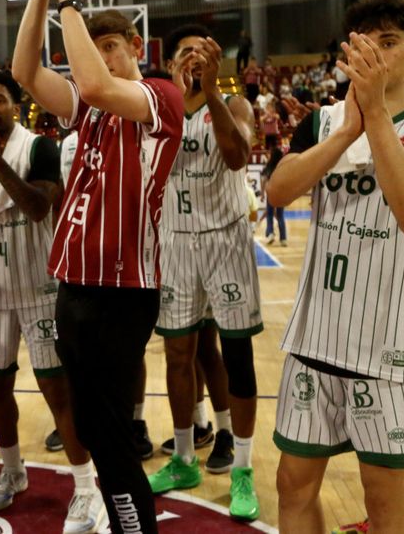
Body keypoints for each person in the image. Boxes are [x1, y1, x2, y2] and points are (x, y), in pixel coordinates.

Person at [267, 0, 404, 532]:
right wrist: (345, 132)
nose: (379, 56)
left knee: (384, 505)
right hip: (315, 336)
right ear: (347, 53)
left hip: (390, 348)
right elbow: (279, 190)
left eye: (389, 43)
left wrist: (377, 114)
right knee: (292, 485)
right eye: (367, 44)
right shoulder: (322, 124)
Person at [11, 0, 184, 534]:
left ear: (135, 50)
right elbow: (27, 73)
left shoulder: (160, 98)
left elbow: (90, 80)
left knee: (110, 432)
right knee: (87, 424)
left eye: (116, 46)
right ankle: (120, 519)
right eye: (99, 44)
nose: (106, 55)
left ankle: (136, 527)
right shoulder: (89, 108)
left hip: (122, 292)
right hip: (74, 285)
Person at [0, 71, 101, 532]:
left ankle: (86, 488)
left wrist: (2, 168)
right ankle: (12, 472)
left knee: (58, 391)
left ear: (16, 106)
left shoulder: (40, 148)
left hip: (40, 289)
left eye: (0, 99)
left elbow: (38, 207)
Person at [149, 26, 262, 521]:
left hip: (226, 240)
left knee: (237, 354)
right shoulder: (157, 110)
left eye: (202, 52)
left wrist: (213, 92)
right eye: (183, 53)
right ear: (171, 64)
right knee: (178, 355)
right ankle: (182, 458)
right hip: (174, 242)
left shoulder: (234, 104)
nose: (192, 60)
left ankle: (242, 468)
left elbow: (238, 156)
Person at [262, 146, 287, 246]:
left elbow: (264, 180)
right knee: (280, 216)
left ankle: (271, 233)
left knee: (269, 214)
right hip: (281, 193)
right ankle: (283, 239)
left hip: (271, 192)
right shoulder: (283, 166)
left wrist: (262, 194)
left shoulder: (269, 166)